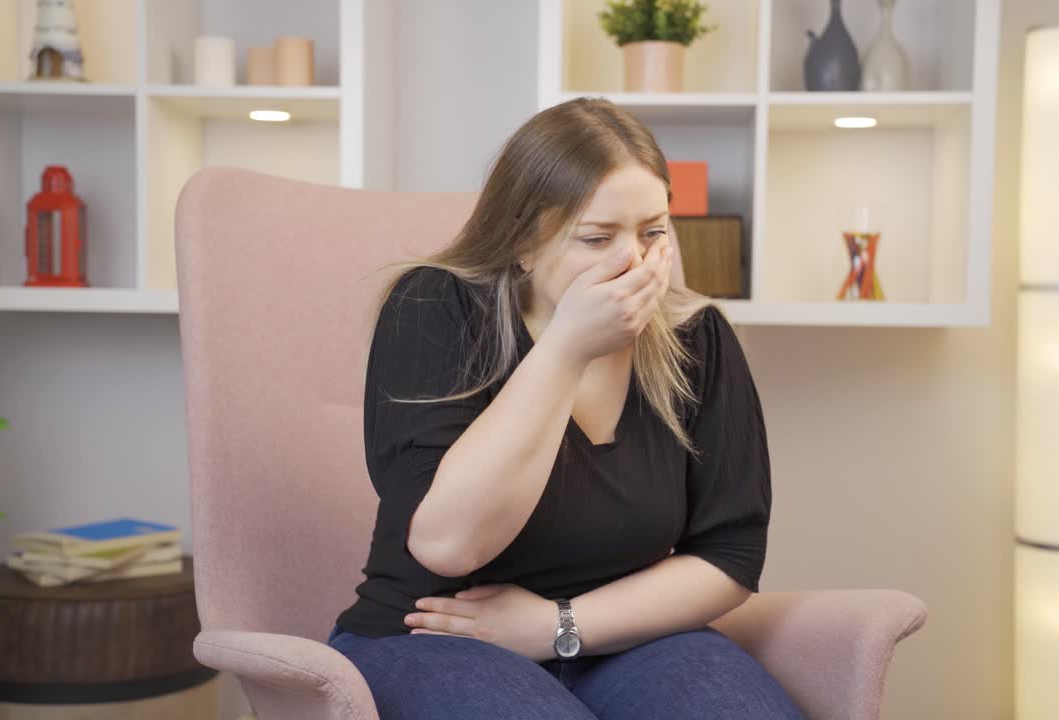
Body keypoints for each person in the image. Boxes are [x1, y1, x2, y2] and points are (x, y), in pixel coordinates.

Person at [328, 97, 804, 719]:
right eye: (597, 237)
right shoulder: (433, 307)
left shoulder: (697, 336)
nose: (633, 262)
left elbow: (730, 556)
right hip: (432, 636)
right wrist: (566, 349)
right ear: (522, 239)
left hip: (623, 639)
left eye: (654, 231)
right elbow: (449, 545)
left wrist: (559, 625)